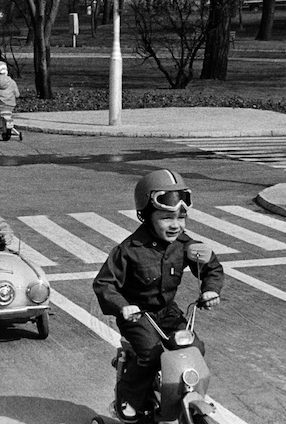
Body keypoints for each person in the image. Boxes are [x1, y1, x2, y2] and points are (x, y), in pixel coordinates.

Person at [93, 169, 224, 423]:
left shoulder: (185, 244)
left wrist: (210, 289)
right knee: (151, 354)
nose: (175, 225)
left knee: (196, 348)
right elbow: (104, 284)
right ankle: (127, 398)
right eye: (166, 218)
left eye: (181, 217)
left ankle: (182, 395)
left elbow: (212, 267)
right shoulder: (129, 250)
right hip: (138, 316)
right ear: (146, 216)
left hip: (168, 312)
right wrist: (123, 306)